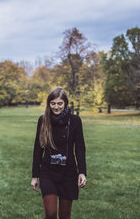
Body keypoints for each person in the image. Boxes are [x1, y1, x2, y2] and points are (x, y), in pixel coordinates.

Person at [31, 87, 87, 219]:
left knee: (64, 216)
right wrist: (35, 175)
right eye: (53, 103)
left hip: (68, 174)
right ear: (49, 104)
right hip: (48, 173)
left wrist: (82, 172)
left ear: (65, 103)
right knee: (50, 215)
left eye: (60, 103)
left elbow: (80, 148)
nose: (56, 107)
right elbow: (38, 149)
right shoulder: (43, 120)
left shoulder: (75, 121)